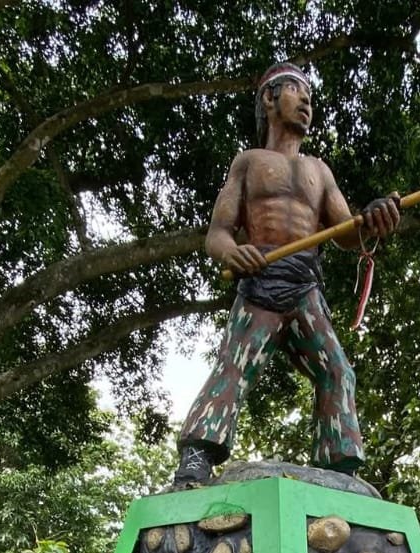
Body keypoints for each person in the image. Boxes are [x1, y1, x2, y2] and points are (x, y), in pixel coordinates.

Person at [170, 62, 401, 489]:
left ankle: (341, 470)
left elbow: (346, 233)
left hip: (304, 285)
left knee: (337, 370)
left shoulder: (320, 171)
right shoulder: (249, 162)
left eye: (309, 94)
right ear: (269, 98)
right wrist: (232, 252)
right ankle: (196, 457)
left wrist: (372, 219)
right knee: (234, 365)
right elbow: (217, 234)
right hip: (260, 281)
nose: (307, 100)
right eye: (296, 89)